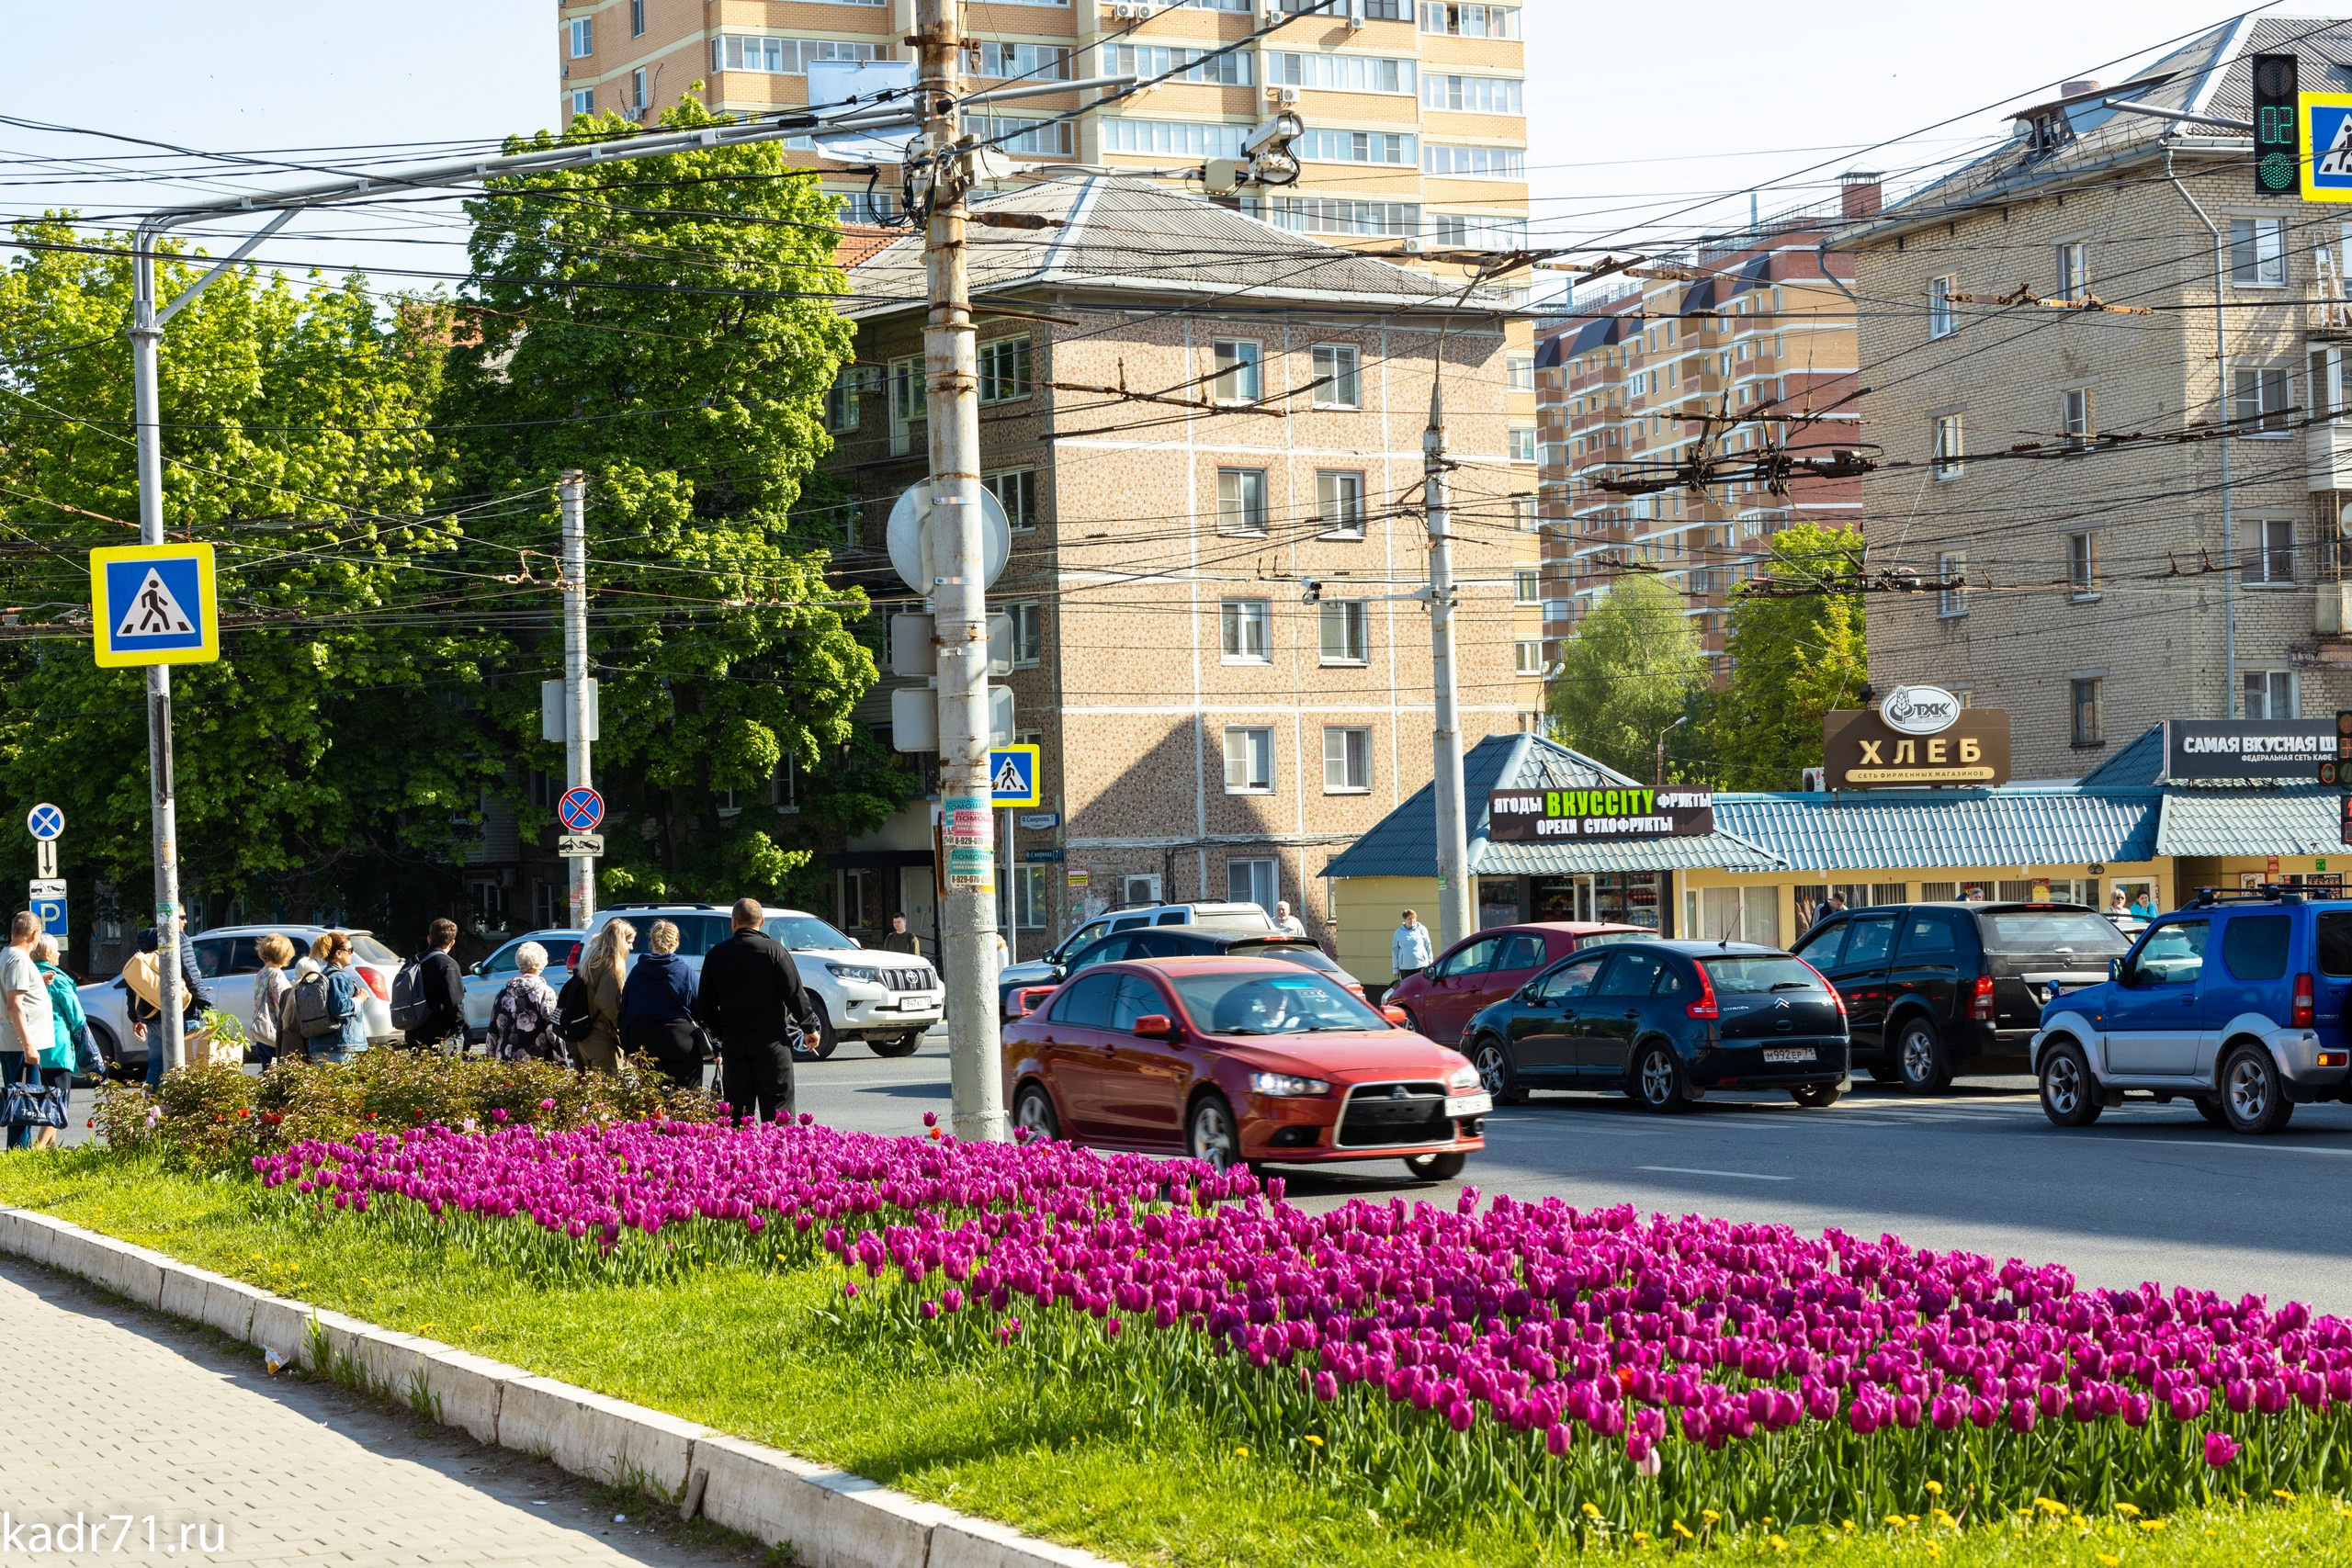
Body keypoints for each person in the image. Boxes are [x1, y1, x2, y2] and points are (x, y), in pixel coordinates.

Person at [696, 897, 818, 1124]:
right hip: (771, 1041)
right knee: (779, 1112)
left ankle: (742, 1158)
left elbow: (705, 1004)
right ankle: (779, 1157)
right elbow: (794, 993)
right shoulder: (774, 950)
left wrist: (720, 1034)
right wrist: (808, 1027)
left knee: (739, 1114)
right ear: (761, 921)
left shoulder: (716, 955)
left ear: (733, 922)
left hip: (734, 1040)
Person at [125, 912, 211, 1089]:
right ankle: (180, 1113)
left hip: (152, 1018)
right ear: (170, 917)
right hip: (182, 1016)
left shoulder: (144, 943)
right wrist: (208, 1007)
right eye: (182, 916)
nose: (185, 921)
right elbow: (192, 976)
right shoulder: (179, 939)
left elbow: (134, 983)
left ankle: (153, 1112)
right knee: (187, 1070)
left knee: (156, 1070)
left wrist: (135, 1018)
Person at [618, 919, 701, 1089]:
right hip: (680, 1038)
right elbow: (700, 1009)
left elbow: (625, 1011)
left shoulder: (637, 973)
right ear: (676, 942)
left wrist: (626, 1047)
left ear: (652, 942)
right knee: (685, 1099)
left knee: (651, 1099)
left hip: (644, 1040)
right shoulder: (685, 971)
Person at [0, 915, 54, 1151]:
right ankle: (18, 1155)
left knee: (21, 1100)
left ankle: (18, 1152)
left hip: (15, 1041)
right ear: (34, 934)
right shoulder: (19, 959)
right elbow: (14, 1004)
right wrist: (29, 1044)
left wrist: (37, 981)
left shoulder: (8, 955)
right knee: (23, 1103)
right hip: (20, 1043)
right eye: (39, 934)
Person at [28, 934, 79, 1150]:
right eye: (57, 950)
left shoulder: (30, 975)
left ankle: (51, 1149)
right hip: (57, 1047)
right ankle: (38, 1149)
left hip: (36, 1044)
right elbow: (75, 1014)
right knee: (58, 1102)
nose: (59, 953)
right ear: (48, 954)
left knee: (51, 1098)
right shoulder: (56, 978)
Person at [485, 942, 563, 1062]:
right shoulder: (545, 993)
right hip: (537, 1062)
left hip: (506, 1060)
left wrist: (490, 1061)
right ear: (542, 963)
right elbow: (553, 1031)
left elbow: (493, 1031)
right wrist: (561, 1061)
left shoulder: (503, 992)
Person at [576, 920, 634, 1077]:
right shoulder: (612, 965)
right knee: (608, 1093)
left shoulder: (592, 957)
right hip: (600, 1036)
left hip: (582, 1036)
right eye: (629, 942)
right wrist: (622, 1025)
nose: (631, 947)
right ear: (619, 941)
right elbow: (605, 1002)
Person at [406, 918, 467, 1053]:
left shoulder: (413, 962)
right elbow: (455, 1002)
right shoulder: (449, 965)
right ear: (452, 943)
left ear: (429, 939)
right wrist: (459, 1028)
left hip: (414, 1033)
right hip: (441, 1036)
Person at [313, 931, 368, 1065]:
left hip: (320, 1044)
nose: (352, 954)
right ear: (338, 953)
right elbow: (340, 1008)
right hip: (339, 1046)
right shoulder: (338, 976)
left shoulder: (322, 975)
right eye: (350, 950)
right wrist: (359, 999)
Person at [249, 933, 297, 1070]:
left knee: (268, 1074)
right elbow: (283, 1003)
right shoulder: (276, 974)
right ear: (283, 953)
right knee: (280, 1076)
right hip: (274, 1034)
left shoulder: (261, 973)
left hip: (261, 1034)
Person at [1392, 909, 1432, 978]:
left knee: (1421, 986)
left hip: (1421, 965)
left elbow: (1428, 946)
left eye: (1414, 918)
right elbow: (1395, 951)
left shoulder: (1422, 929)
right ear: (1404, 920)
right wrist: (1395, 969)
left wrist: (1430, 963)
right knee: (1408, 987)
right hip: (1405, 967)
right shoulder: (1398, 932)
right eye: (1409, 919)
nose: (1412, 920)